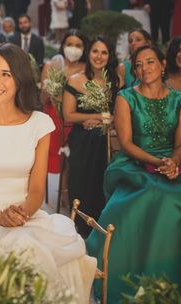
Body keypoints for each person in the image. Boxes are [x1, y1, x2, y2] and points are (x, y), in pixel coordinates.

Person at [0, 43, 96, 304]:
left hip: (27, 218)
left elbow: (36, 191)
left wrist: (19, 214)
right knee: (24, 251)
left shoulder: (40, 124)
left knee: (40, 249)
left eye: (5, 74)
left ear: (20, 79)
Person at [87, 44, 181, 302]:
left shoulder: (180, 99)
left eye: (149, 62)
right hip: (135, 163)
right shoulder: (126, 97)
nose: (143, 68)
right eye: (138, 64)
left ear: (162, 65)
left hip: (175, 163)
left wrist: (173, 162)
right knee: (156, 194)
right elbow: (126, 143)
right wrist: (158, 162)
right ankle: (141, 276)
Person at [63, 36, 120, 236]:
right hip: (83, 139)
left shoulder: (116, 81)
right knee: (92, 140)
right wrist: (97, 116)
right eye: (95, 51)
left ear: (110, 56)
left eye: (104, 52)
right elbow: (68, 114)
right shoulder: (76, 80)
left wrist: (107, 121)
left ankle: (105, 223)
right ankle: (81, 224)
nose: (99, 56)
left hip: (109, 140)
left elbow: (120, 113)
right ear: (88, 53)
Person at [39, 30, 87, 206]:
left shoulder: (86, 69)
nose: (73, 49)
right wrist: (50, 89)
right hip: (54, 117)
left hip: (76, 117)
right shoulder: (52, 66)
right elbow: (43, 100)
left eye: (78, 45)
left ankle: (67, 189)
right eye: (70, 44)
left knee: (75, 149)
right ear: (63, 46)